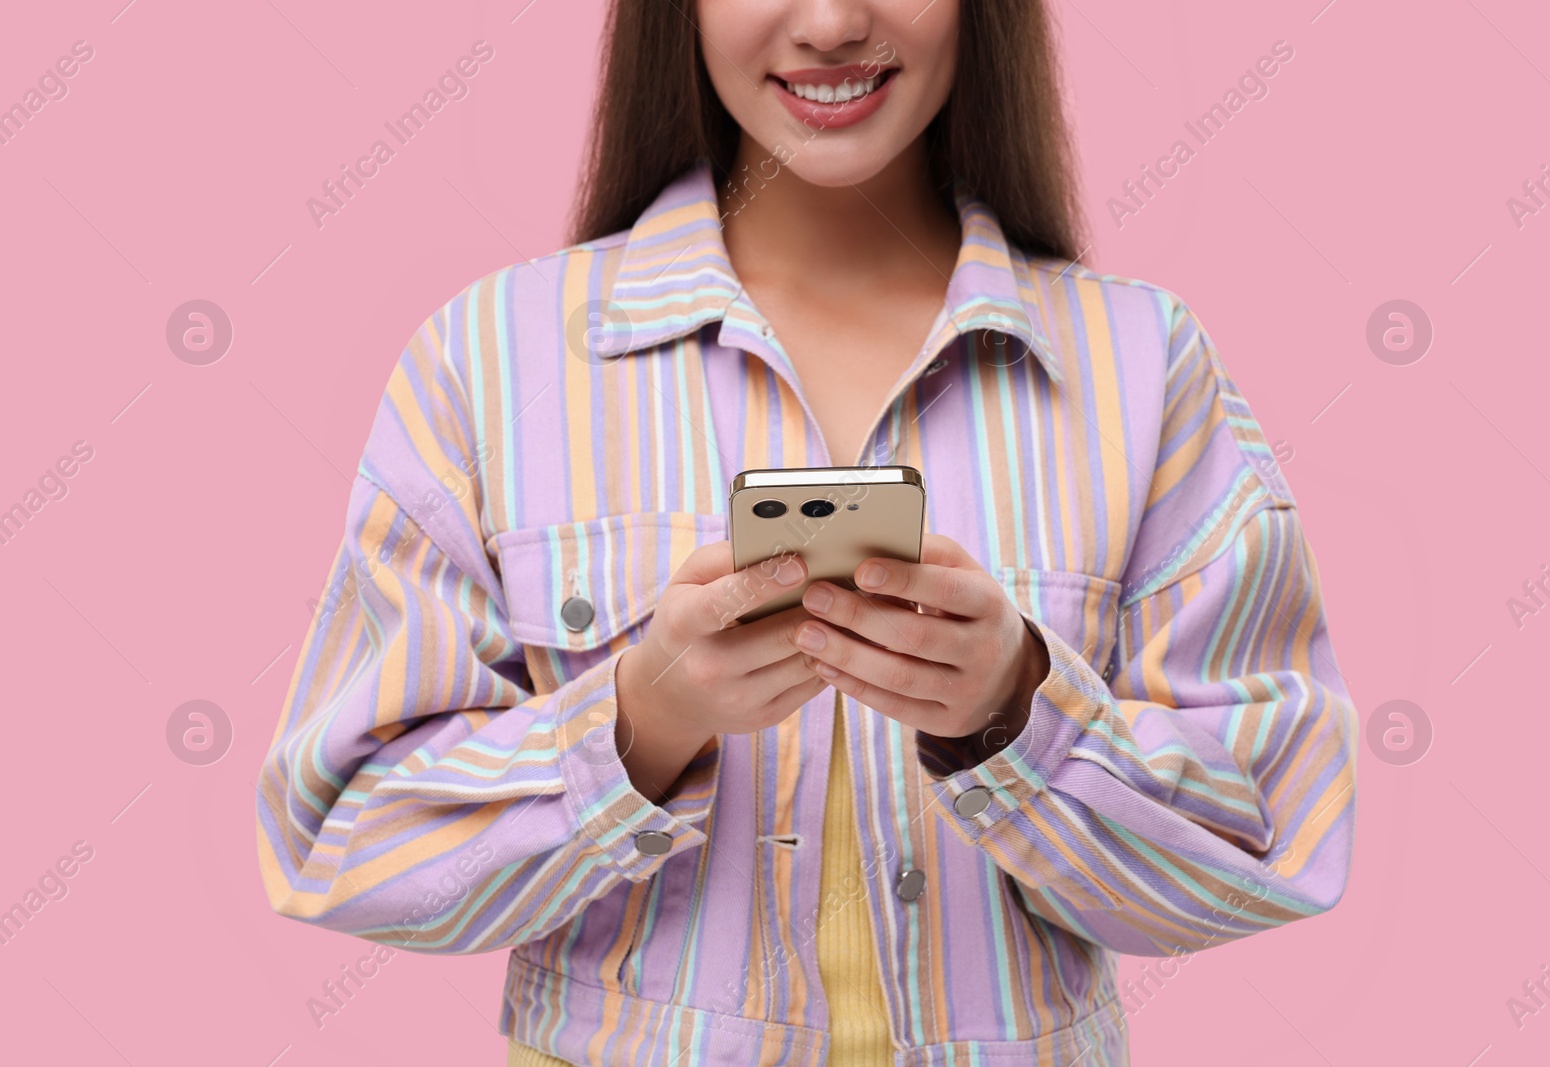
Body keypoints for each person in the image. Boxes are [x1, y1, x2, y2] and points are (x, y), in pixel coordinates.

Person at [255, 1, 1357, 1064]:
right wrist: (638, 721)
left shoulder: (1142, 364)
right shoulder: (490, 361)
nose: (829, 22)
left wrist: (1015, 709)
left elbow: (1274, 829)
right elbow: (343, 835)